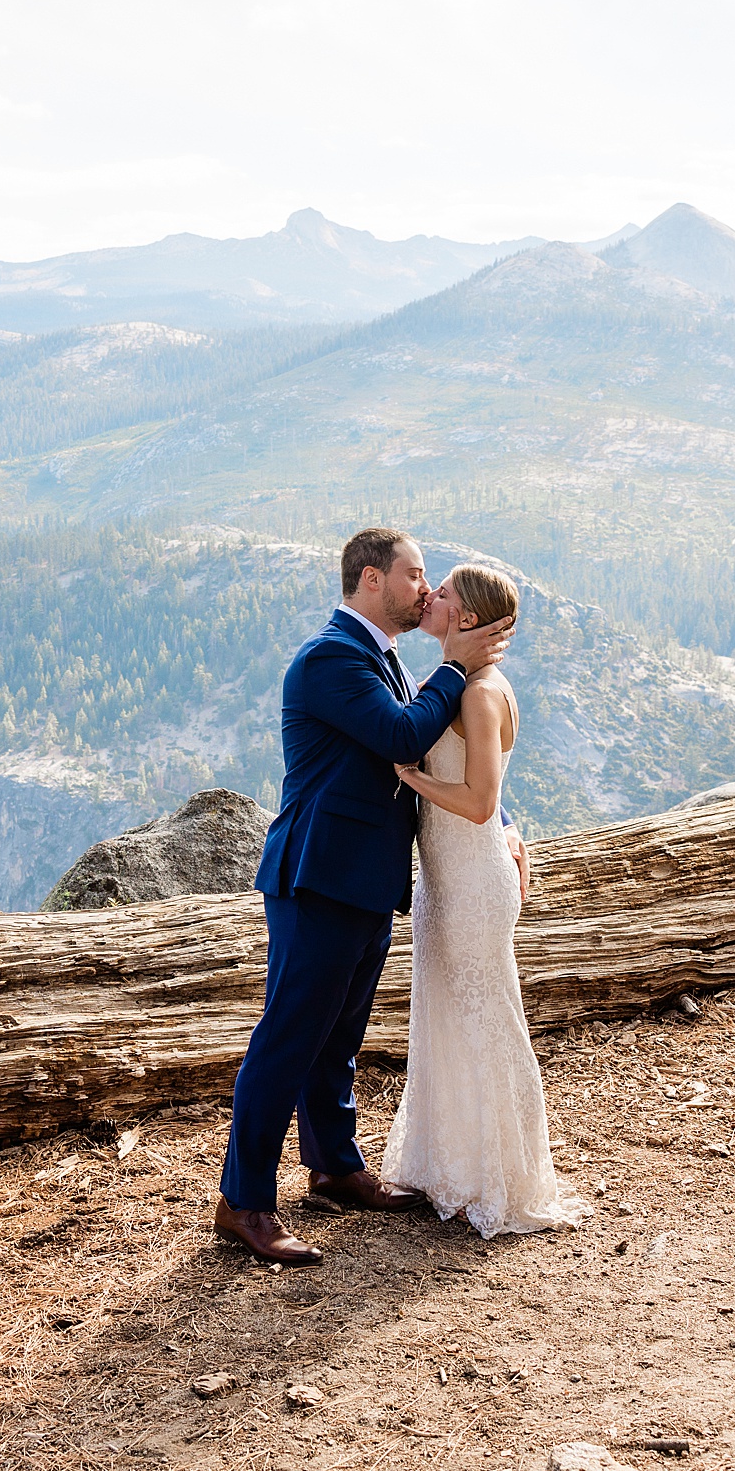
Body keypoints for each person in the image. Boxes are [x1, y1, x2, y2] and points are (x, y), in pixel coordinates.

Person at [213, 528, 515, 1265]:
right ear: (372, 579)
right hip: (317, 876)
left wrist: (502, 822)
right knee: (288, 1039)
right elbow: (401, 734)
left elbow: (449, 757)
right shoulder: (332, 657)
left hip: (366, 879)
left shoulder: (383, 659)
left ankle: (334, 1169)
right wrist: (460, 664)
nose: (426, 588)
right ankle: (242, 1202)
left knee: (336, 1041)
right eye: (416, 575)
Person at [383, 564, 592, 1235]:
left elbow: (479, 802)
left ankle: (503, 1175)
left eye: (441, 592)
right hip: (447, 879)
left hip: (471, 883)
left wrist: (411, 776)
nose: (429, 597)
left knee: (487, 1019)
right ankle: (453, 1164)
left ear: (466, 618)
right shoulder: (462, 683)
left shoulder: (479, 691)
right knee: (447, 1017)